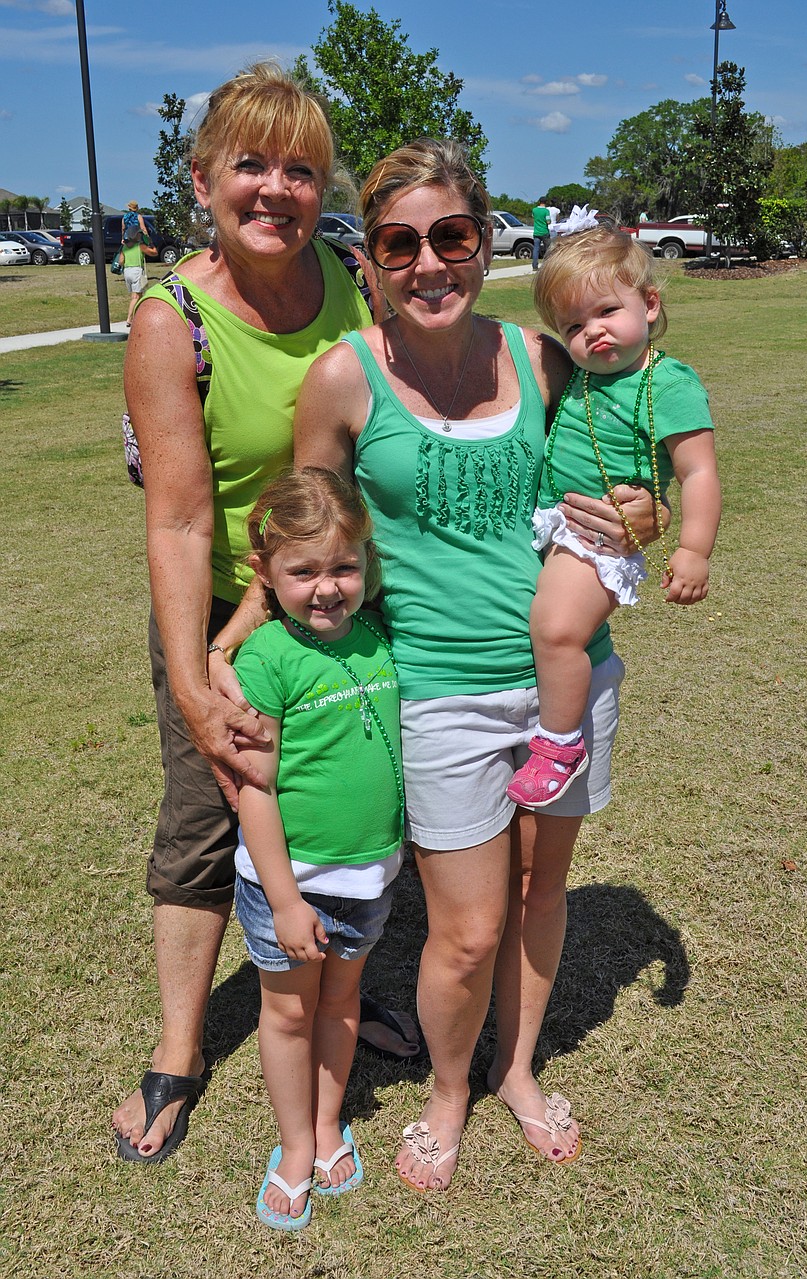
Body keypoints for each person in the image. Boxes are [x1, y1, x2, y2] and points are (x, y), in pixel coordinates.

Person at [218, 138, 665, 1192]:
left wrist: (647, 514)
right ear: (368, 259)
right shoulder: (344, 376)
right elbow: (302, 527)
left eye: (451, 237)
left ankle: (515, 1070)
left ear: (484, 239)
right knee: (464, 932)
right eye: (399, 243)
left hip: (568, 677)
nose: (429, 263)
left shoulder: (542, 359)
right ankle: (449, 1087)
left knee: (539, 893)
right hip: (440, 695)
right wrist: (235, 636)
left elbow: (629, 468)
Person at [112, 61, 416, 1167]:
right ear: (204, 182)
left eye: (300, 167)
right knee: (205, 811)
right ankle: (181, 1047)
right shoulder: (171, 317)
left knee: (359, 786)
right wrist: (199, 677)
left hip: (346, 593)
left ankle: (343, 989)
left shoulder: (353, 275)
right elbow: (182, 522)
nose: (277, 188)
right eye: (251, 164)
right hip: (231, 604)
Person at [232, 468, 403, 1231]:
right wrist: (287, 900)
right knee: (290, 1014)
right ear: (264, 573)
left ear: (368, 563)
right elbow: (256, 791)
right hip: (288, 886)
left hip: (370, 877)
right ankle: (296, 1145)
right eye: (304, 570)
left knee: (340, 1002)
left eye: (343, 566)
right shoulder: (264, 658)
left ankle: (331, 1120)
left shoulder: (379, 631)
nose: (327, 588)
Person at [506, 218, 721, 808]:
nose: (592, 333)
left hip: (597, 537)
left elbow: (698, 471)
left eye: (606, 312)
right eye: (574, 326)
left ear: (649, 305)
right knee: (549, 623)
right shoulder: (578, 376)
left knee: (556, 630)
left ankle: (559, 743)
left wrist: (693, 548)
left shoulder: (666, 382)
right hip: (557, 524)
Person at [532, 196, 551, 271]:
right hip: (544, 232)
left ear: (539, 202)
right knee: (548, 249)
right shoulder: (546, 211)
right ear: (545, 202)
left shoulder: (534, 210)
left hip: (536, 232)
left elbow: (533, 217)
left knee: (536, 249)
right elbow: (548, 221)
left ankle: (534, 265)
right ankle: (546, 265)